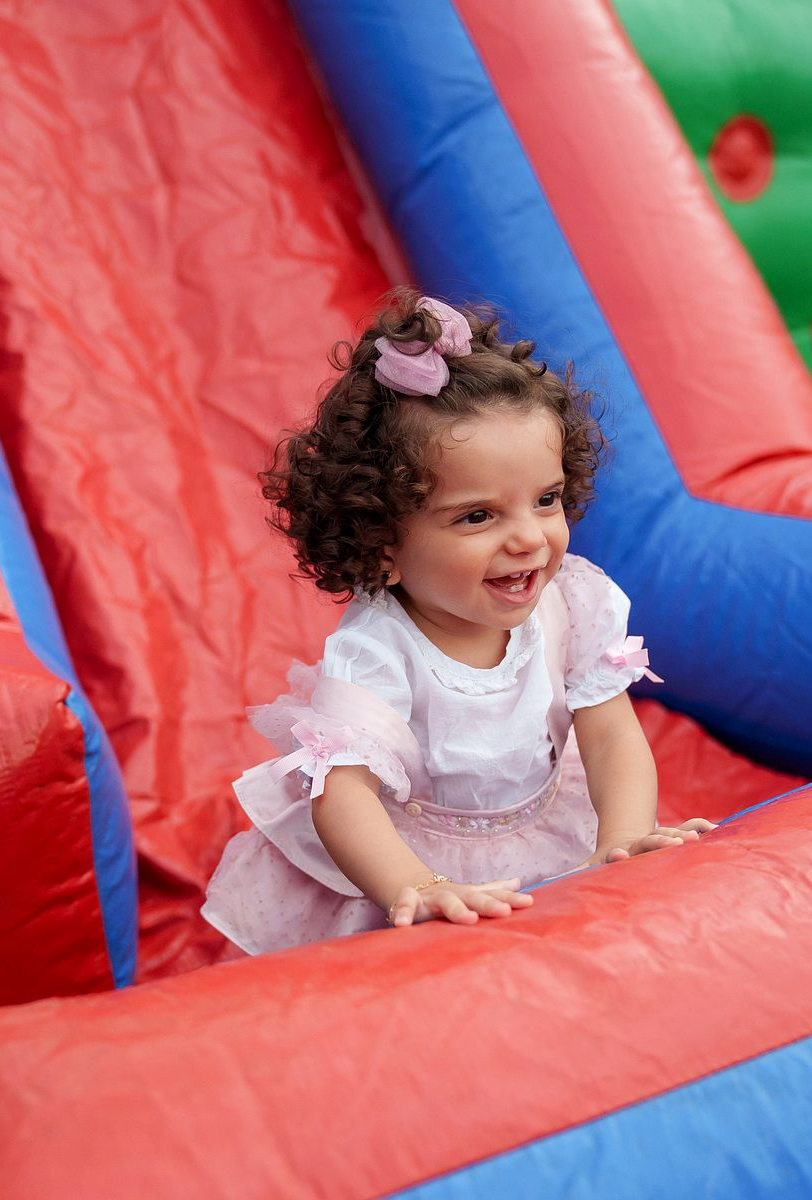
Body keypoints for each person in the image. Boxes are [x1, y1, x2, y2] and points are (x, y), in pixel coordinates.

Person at [202, 289, 713, 953]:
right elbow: (343, 796)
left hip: (544, 834)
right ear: (382, 545)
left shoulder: (571, 605)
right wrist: (416, 886)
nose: (528, 538)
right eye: (478, 516)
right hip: (405, 861)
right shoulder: (377, 650)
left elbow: (611, 735)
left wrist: (621, 839)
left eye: (546, 499)